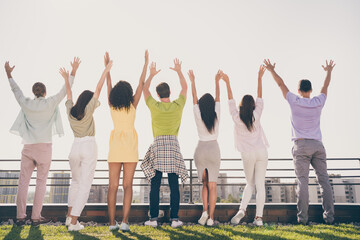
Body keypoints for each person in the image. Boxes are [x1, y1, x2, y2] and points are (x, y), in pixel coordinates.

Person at [5, 59, 77, 226]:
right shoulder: (50, 102)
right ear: (44, 92)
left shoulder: (26, 103)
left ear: (35, 92)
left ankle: (21, 216)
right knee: (41, 183)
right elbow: (64, 91)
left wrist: (8, 73)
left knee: (23, 182)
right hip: (45, 148)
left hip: (28, 147)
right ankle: (36, 217)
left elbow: (16, 90)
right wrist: (72, 72)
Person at [263, 59, 335, 224]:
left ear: (298, 90)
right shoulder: (318, 102)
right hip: (318, 145)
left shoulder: (294, 101)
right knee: (324, 180)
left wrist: (272, 70)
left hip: (301, 145)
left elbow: (281, 84)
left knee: (302, 181)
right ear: (311, 90)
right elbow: (325, 86)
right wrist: (328, 71)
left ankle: (303, 219)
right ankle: (329, 218)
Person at [61, 57, 113, 231]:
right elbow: (98, 88)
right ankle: (74, 223)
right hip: (89, 146)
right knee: (84, 185)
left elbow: (69, 94)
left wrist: (68, 76)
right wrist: (106, 69)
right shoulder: (88, 110)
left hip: (74, 147)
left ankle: (69, 217)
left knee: (75, 182)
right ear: (88, 101)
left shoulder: (70, 111)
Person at [141, 58, 188, 228]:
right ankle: (174, 219)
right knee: (173, 184)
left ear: (159, 94)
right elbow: (185, 88)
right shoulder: (178, 106)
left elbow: (144, 89)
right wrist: (179, 71)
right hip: (173, 145)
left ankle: (153, 218)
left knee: (155, 183)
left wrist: (151, 74)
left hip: (158, 146)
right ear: (169, 92)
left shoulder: (154, 106)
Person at [105, 51, 148, 232]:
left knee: (113, 186)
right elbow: (141, 83)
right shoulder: (133, 105)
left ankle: (112, 223)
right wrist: (145, 64)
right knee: (127, 185)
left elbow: (108, 83)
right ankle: (125, 221)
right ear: (129, 93)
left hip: (115, 147)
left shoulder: (111, 104)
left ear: (115, 93)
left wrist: (107, 68)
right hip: (130, 147)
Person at [226, 66, 269, 226]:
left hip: (247, 154)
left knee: (250, 184)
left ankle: (242, 210)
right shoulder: (256, 115)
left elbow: (230, 101)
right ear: (252, 107)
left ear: (242, 106)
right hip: (261, 152)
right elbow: (260, 97)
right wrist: (259, 77)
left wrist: (227, 82)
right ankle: (258, 218)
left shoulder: (237, 118)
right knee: (260, 185)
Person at [188, 69, 222, 226]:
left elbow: (194, 99)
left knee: (204, 184)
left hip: (200, 149)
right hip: (213, 149)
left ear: (201, 105)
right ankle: (211, 218)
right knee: (213, 185)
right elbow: (218, 99)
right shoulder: (216, 113)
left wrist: (193, 81)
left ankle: (204, 211)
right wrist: (217, 81)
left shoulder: (198, 114)